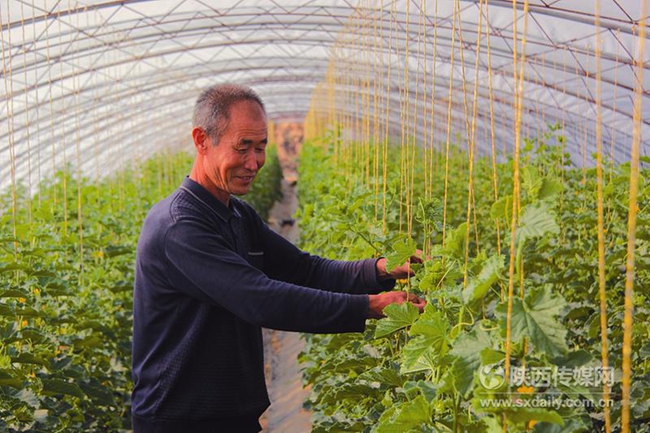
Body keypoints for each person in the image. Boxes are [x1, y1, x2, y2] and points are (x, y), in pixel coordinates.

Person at [131, 83, 425, 433]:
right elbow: (259, 297)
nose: (254, 162)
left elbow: (304, 270)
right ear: (201, 140)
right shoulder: (179, 227)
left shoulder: (238, 215)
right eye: (243, 147)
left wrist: (379, 270)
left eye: (261, 147)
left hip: (232, 415)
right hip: (180, 420)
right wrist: (370, 306)